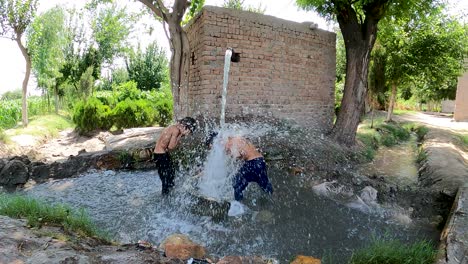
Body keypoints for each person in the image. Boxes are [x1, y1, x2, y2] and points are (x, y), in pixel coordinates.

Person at [206, 133, 273, 201]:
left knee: (236, 182)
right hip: (260, 161)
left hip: (253, 163)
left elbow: (237, 155)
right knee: (264, 185)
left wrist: (228, 156)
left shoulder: (227, 144)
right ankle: (273, 201)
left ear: (217, 140)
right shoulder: (234, 138)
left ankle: (237, 206)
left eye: (213, 147)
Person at [153, 117, 197, 195]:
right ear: (185, 127)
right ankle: (166, 198)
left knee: (170, 175)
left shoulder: (172, 127)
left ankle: (168, 195)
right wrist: (181, 135)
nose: (188, 134)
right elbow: (171, 147)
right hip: (161, 155)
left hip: (159, 154)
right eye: (189, 132)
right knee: (167, 179)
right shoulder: (176, 131)